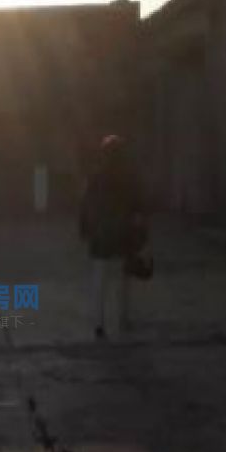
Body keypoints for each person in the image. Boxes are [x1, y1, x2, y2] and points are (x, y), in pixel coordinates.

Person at [79, 134, 147, 340]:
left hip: (101, 235)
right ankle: (123, 318)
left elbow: (85, 205)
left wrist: (84, 229)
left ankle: (99, 324)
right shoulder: (129, 178)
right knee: (122, 280)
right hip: (123, 233)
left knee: (99, 281)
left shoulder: (96, 177)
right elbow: (138, 209)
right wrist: (141, 235)